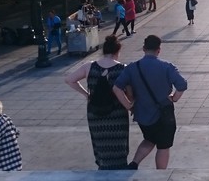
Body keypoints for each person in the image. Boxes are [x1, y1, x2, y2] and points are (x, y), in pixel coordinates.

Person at [113, 35, 188, 170]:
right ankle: (160, 174)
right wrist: (174, 98)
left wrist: (128, 105)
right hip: (164, 115)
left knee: (149, 139)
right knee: (163, 146)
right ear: (159, 50)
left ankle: (134, 164)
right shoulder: (167, 67)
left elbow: (117, 88)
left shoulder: (132, 67)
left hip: (143, 114)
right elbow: (182, 84)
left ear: (143, 49)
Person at [64, 36, 130, 170]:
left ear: (104, 50)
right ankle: (120, 165)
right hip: (117, 113)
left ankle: (102, 164)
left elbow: (69, 80)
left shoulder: (89, 66)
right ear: (117, 51)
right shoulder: (123, 69)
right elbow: (129, 92)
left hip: (95, 111)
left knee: (99, 140)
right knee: (119, 140)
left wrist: (86, 94)